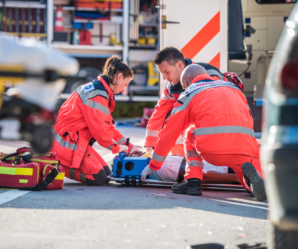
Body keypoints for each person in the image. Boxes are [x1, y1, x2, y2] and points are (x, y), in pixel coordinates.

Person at [141, 64, 266, 202]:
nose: (184, 88)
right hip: (247, 150)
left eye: (184, 85)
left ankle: (192, 181)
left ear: (189, 79)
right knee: (248, 178)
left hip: (213, 151)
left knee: (189, 132)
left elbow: (169, 132)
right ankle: (253, 184)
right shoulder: (233, 88)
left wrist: (154, 165)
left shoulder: (190, 92)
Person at [51, 56, 141, 186]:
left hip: (73, 141)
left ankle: (61, 161)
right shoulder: (97, 95)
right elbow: (101, 132)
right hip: (66, 143)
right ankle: (57, 163)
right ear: (118, 77)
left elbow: (107, 127)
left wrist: (129, 146)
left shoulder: (100, 91)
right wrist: (117, 148)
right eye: (125, 84)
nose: (123, 89)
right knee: (98, 178)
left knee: (107, 173)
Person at [145, 47, 243, 157]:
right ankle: (181, 161)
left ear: (179, 65)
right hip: (206, 130)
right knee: (171, 119)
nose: (164, 78)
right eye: (162, 73)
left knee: (181, 120)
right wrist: (149, 146)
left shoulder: (210, 75)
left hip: (223, 126)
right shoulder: (170, 87)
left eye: (167, 72)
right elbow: (159, 113)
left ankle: (211, 160)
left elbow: (215, 110)